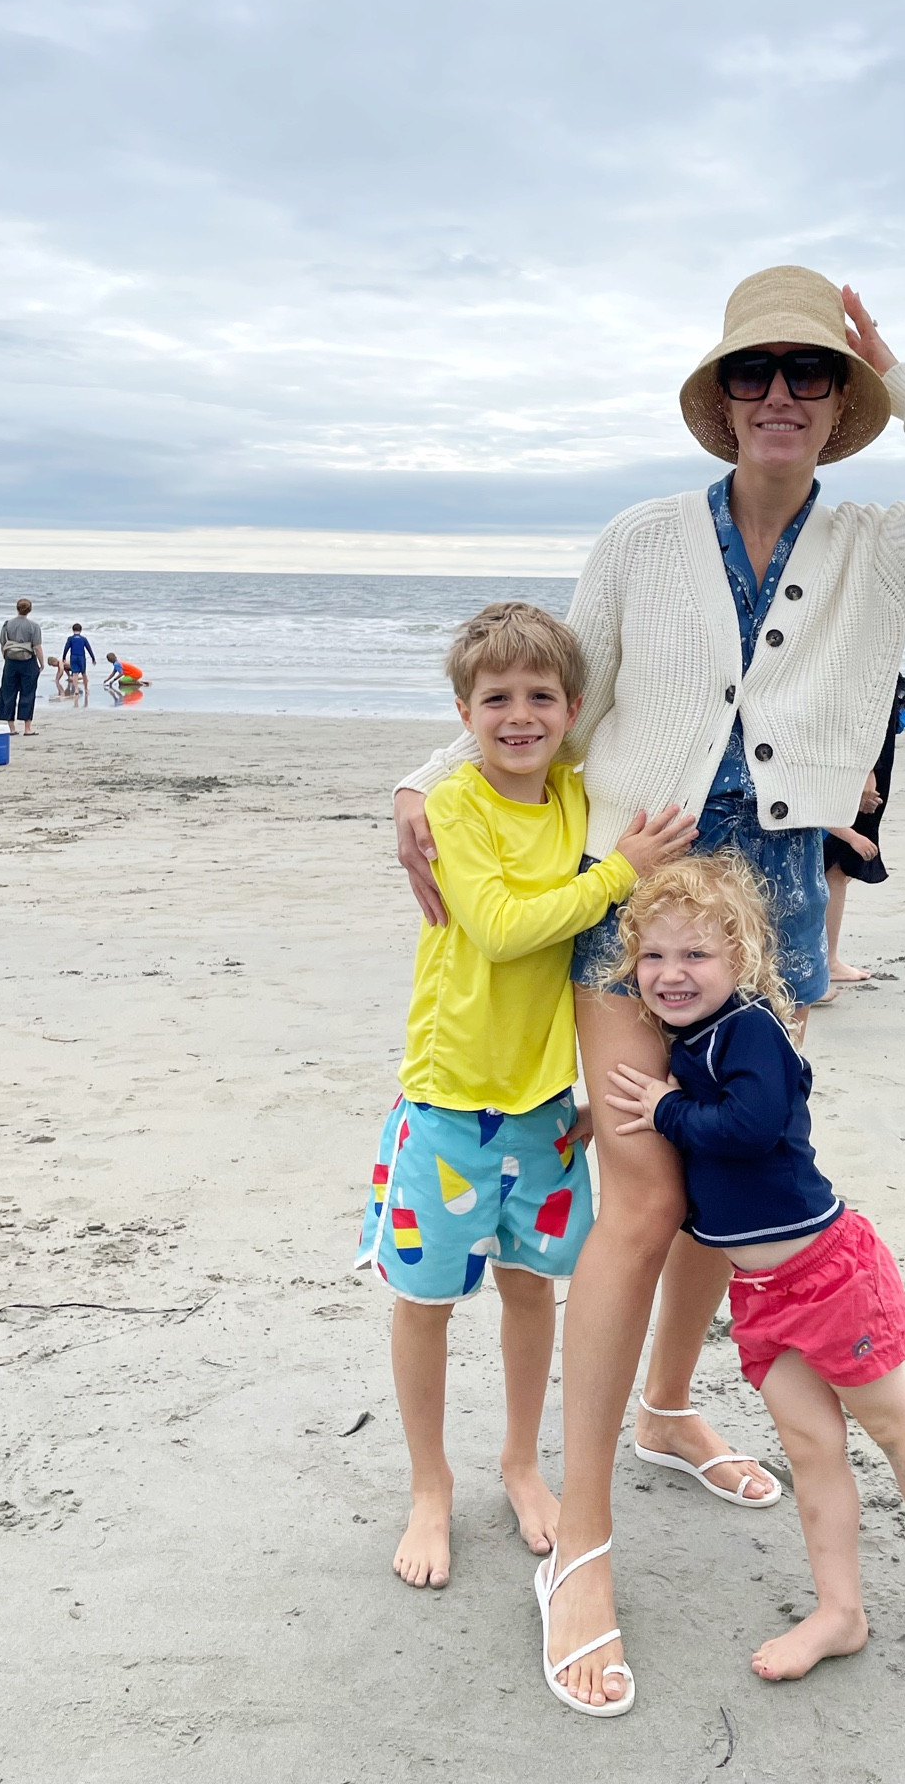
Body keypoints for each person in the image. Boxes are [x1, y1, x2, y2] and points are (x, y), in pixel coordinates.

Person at [393, 266, 905, 1712]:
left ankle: (673, 1407)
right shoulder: (639, 539)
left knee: (728, 1175)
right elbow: (559, 707)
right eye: (755, 372)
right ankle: (585, 1556)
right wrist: (424, 780)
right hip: (640, 893)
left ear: (840, 402)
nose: (779, 398)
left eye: (811, 377)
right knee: (639, 1196)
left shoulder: (880, 547)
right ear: (718, 396)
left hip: (772, 918)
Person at [355, 603, 695, 1603]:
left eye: (540, 696)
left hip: (547, 1104)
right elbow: (501, 928)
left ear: (572, 708)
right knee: (424, 1298)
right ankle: (430, 1482)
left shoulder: (579, 797)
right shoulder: (454, 803)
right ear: (464, 711)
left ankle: (518, 1459)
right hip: (450, 1096)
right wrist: (620, 872)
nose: (519, 714)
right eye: (496, 698)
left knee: (530, 1287)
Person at [602, 854, 905, 1683]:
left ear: (740, 959)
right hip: (762, 1293)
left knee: (893, 1426)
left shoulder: (750, 1030)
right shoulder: (685, 1042)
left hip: (829, 1274)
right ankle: (840, 1611)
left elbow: (752, 1124)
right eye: (654, 956)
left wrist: (664, 1109)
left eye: (696, 954)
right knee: (810, 1446)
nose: (671, 973)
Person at [815, 671, 905, 999]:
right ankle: (822, 963)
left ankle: (827, 960)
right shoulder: (863, 640)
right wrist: (864, 768)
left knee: (838, 869)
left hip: (872, 757)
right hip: (857, 761)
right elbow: (847, 702)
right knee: (832, 864)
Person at [0, 598, 44, 735]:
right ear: (30, 610)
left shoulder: (7, 624)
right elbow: (37, 647)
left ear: (17, 608)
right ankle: (27, 728)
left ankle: (12, 728)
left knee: (8, 692)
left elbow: (2, 644)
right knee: (28, 693)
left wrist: (6, 658)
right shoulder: (34, 626)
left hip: (11, 661)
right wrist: (42, 663)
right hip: (28, 661)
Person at [62, 624, 97, 703]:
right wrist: (93, 658)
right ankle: (86, 689)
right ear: (81, 630)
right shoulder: (83, 639)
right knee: (84, 673)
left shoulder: (70, 638)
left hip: (73, 657)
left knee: (75, 674)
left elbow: (66, 647)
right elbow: (89, 648)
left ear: (72, 630)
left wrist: (63, 657)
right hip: (81, 657)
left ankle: (76, 689)